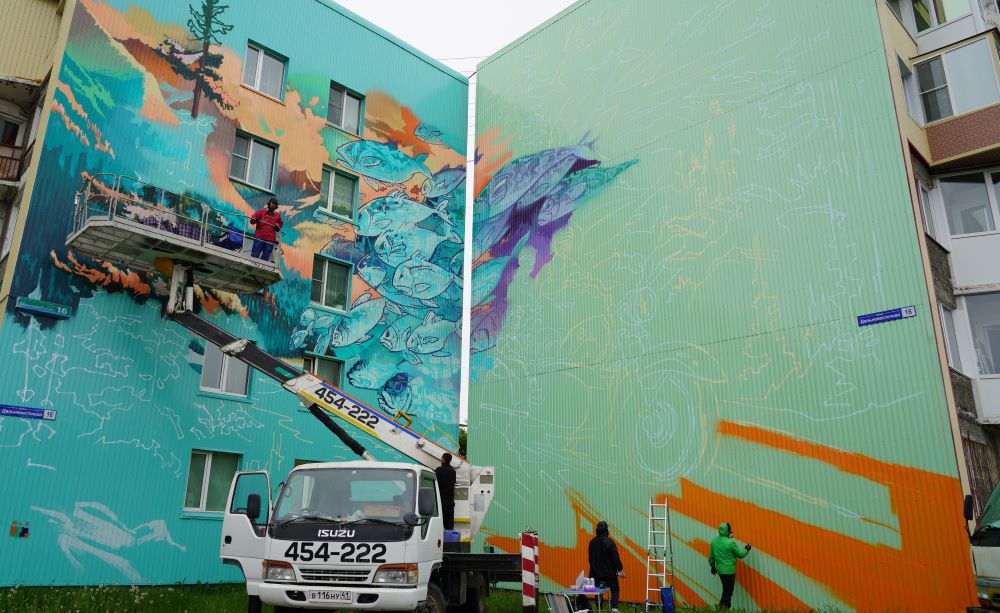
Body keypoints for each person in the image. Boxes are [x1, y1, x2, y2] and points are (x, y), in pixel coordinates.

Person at [709, 522, 751, 610]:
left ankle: (724, 609)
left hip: (720, 571)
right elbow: (740, 555)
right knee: (728, 592)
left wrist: (712, 567)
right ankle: (722, 609)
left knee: (726, 590)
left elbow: (712, 557)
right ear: (727, 530)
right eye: (730, 529)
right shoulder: (730, 542)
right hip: (729, 571)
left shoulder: (714, 541)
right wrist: (746, 549)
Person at [587, 520, 624, 612]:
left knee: (598, 590)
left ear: (597, 530)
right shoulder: (610, 542)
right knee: (615, 589)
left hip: (595, 573)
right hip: (609, 574)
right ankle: (614, 608)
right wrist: (619, 568)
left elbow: (590, 559)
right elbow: (615, 558)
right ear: (606, 530)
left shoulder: (592, 542)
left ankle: (599, 608)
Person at [435, 453, 456, 530]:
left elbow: (435, 483)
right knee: (449, 523)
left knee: (439, 522)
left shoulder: (439, 470)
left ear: (443, 459)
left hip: (441, 499)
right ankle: (449, 536)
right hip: (450, 501)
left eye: (441, 458)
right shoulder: (453, 471)